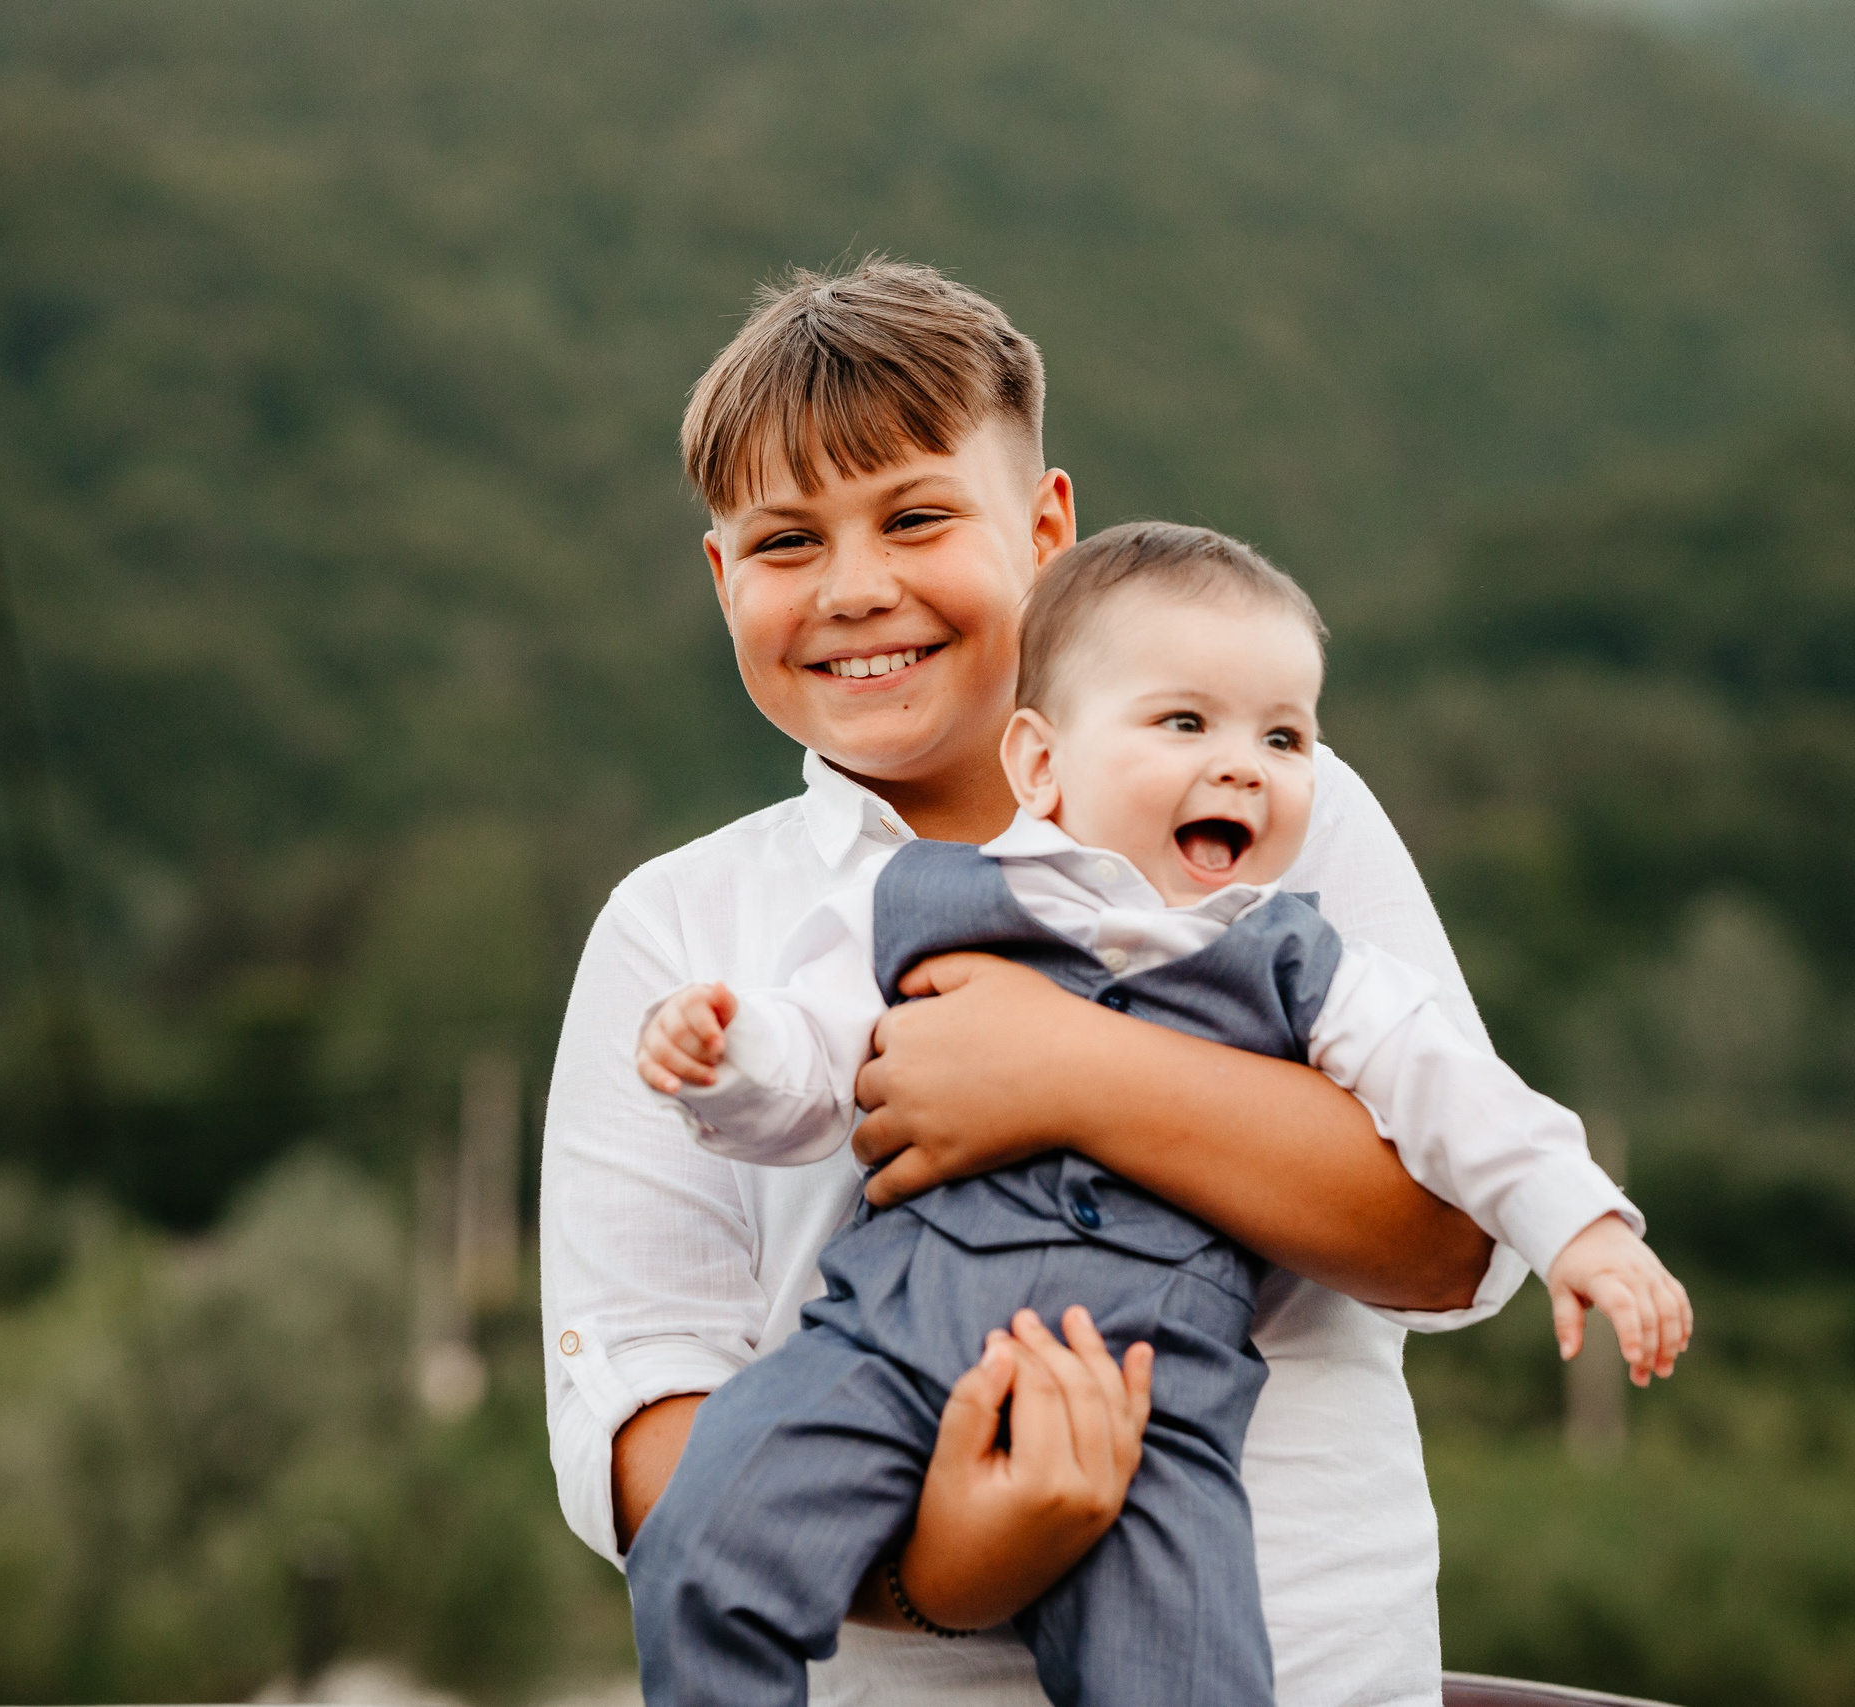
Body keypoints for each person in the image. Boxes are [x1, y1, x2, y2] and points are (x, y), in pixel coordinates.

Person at [538, 258, 1687, 1705]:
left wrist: (1067, 1070)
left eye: (915, 517)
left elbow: (1453, 1243)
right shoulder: (682, 925)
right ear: (721, 579)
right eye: (783, 545)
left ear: (1046, 527)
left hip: (1315, 1662)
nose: (855, 588)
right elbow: (635, 1418)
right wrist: (947, 1567)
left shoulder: (1282, 808)